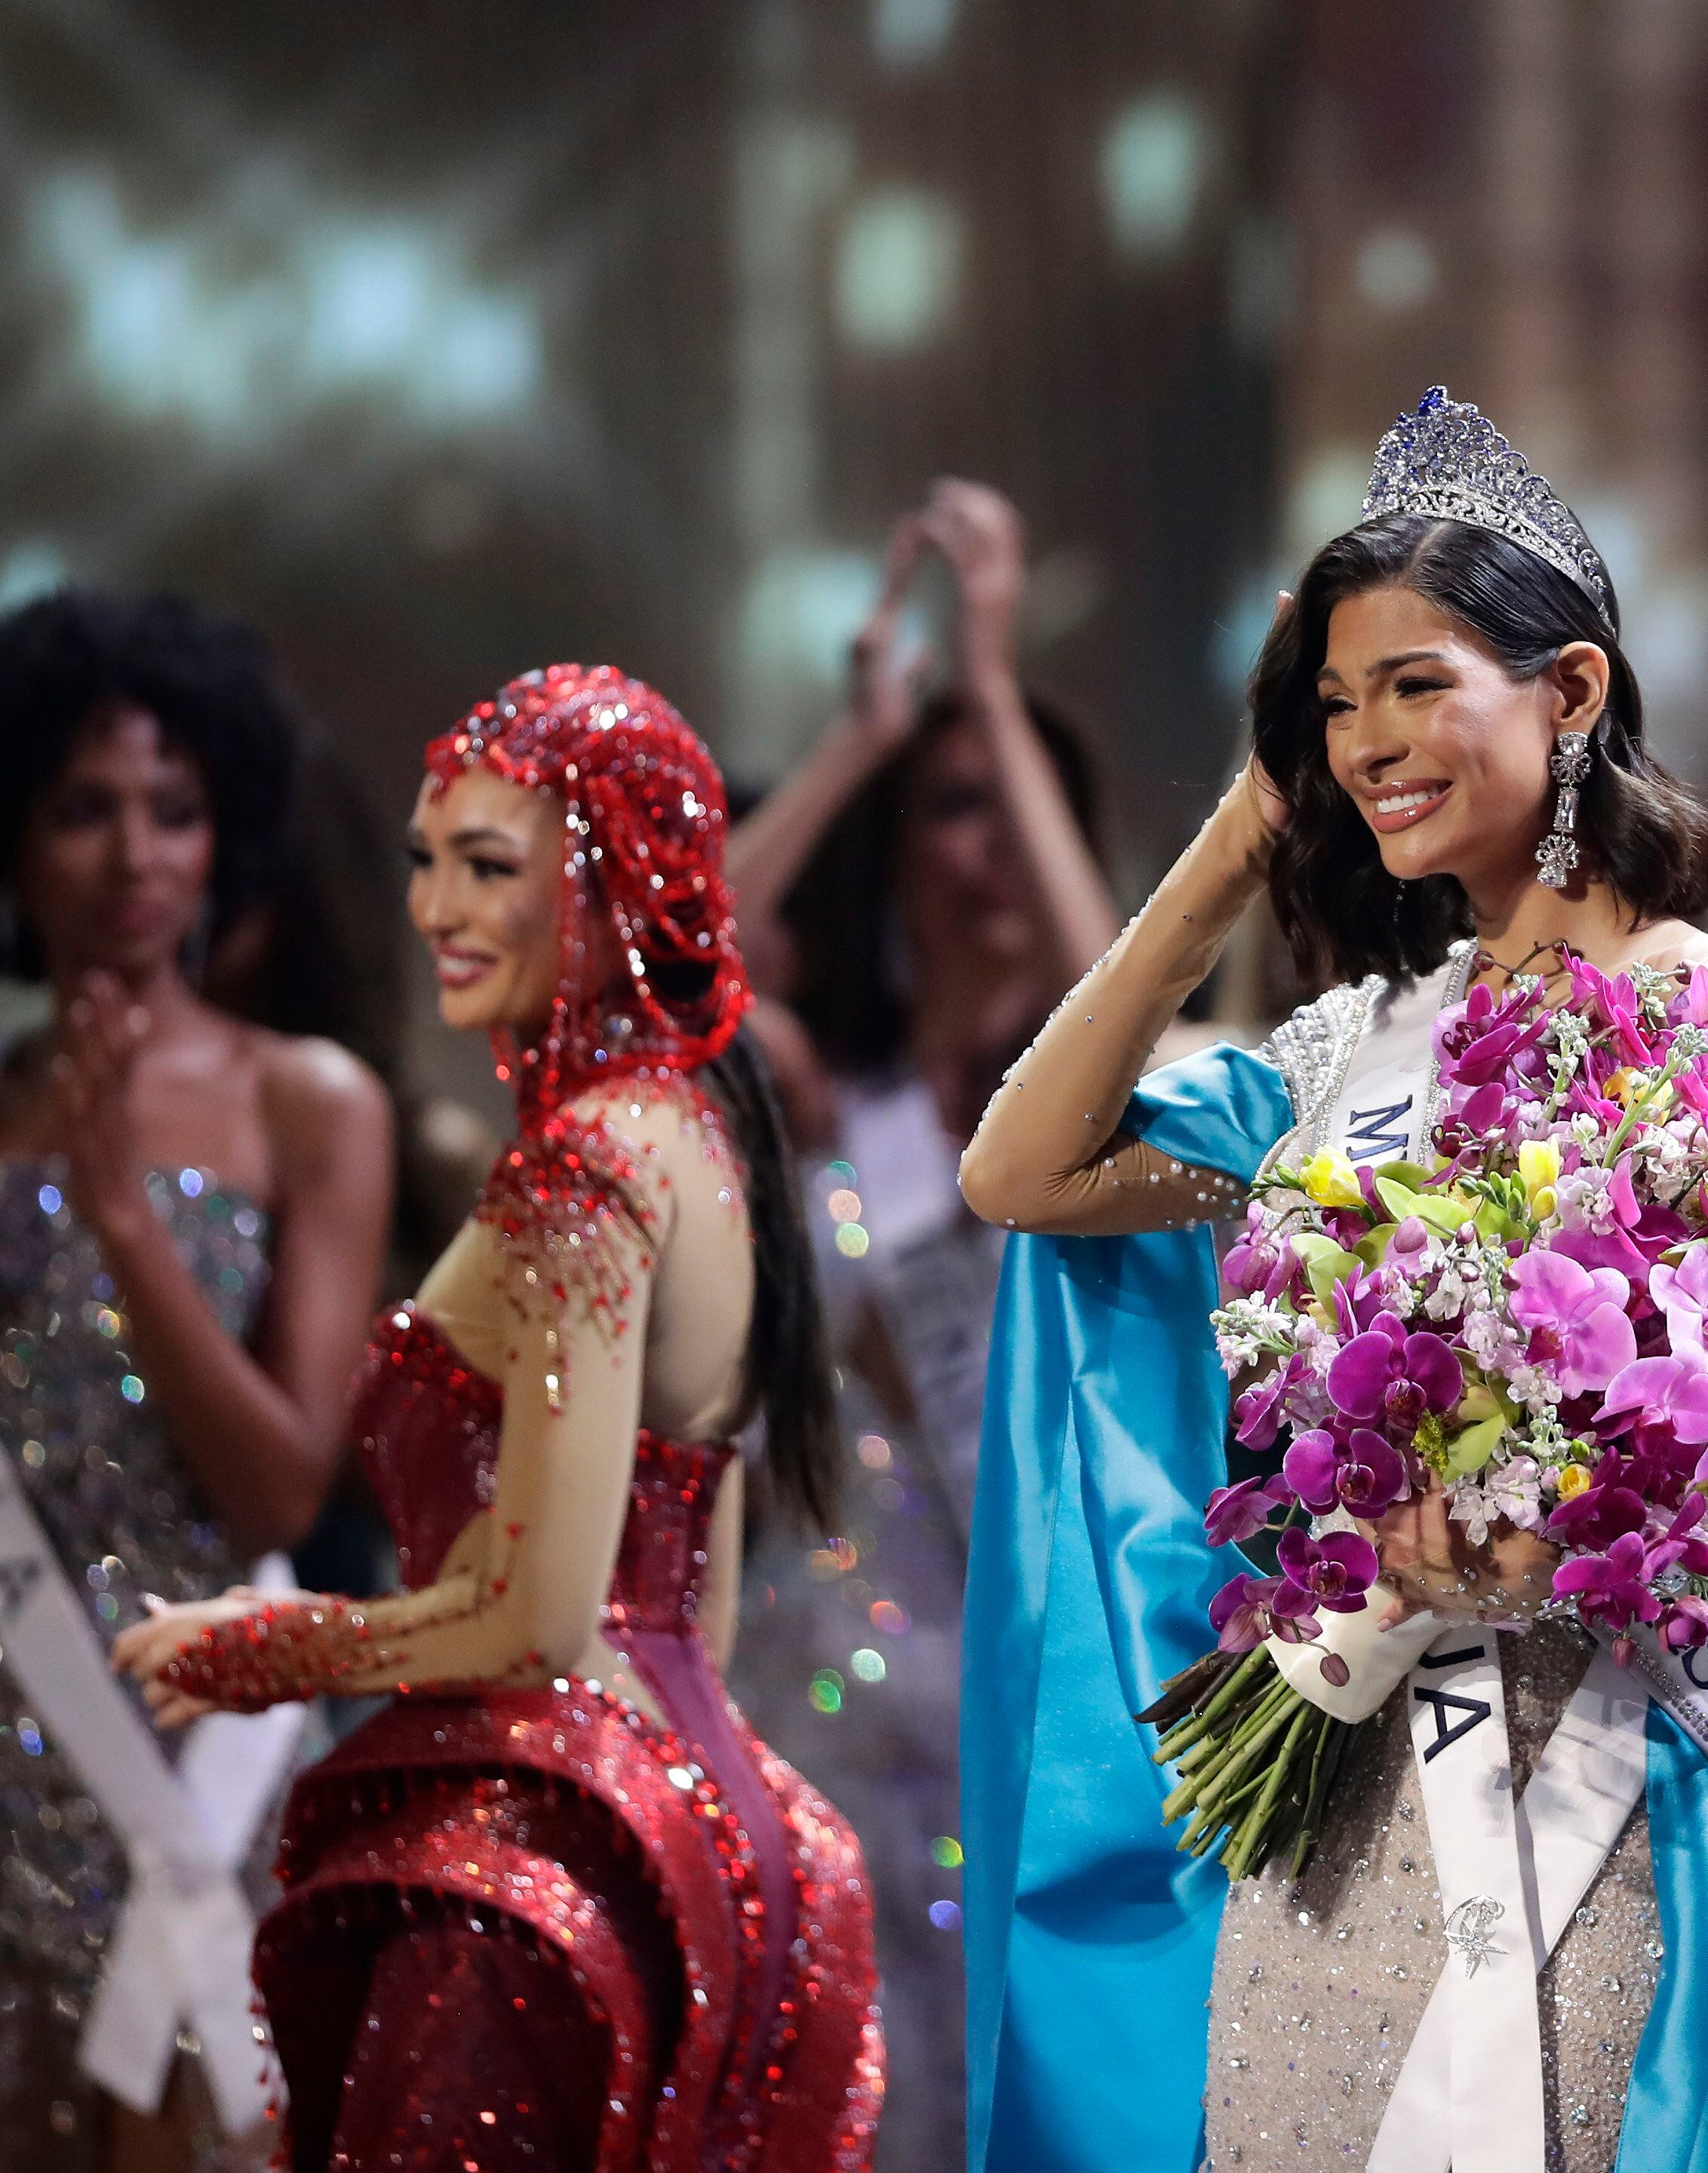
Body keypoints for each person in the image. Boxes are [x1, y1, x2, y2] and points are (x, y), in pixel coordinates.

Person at [957, 388, 1708, 2173]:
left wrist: (1582, 1533)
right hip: (1344, 1844)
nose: (1370, 741)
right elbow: (1022, 1172)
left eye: (1418, 685)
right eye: (1337, 704)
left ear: (1571, 692)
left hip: (1625, 1829)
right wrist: (1236, 838)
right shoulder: (1353, 1051)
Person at [108, 665, 882, 2172]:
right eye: (424, 859)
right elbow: (692, 1602)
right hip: (709, 1828)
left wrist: (261, 1650)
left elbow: (533, 1622)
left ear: (614, 885)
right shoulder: (698, 1134)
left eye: (488, 866)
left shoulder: (588, 1173)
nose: (437, 908)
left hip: (535, 1866)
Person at [720, 479, 1119, 2173]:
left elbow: (1121, 980)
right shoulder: (827, 1104)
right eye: (942, 811)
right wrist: (852, 750)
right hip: (832, 1738)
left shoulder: (1139, 1125)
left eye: (1004, 807)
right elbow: (656, 976)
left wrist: (998, 667)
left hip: (1068, 1734)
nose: (980, 848)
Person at [0, 589, 392, 2173]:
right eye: (84, 809)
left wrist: (118, 1220)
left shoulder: (306, 1102)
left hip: (213, 1765)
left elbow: (286, 1486)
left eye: (175, 808)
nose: (135, 855)